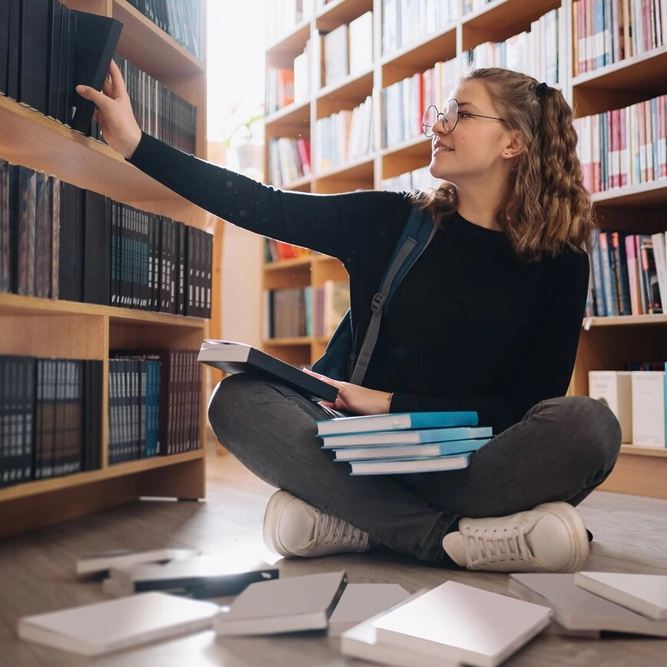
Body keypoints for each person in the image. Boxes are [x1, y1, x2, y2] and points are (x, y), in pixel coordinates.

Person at [76, 64, 621, 573]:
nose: (439, 124)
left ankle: (356, 520)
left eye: (460, 113)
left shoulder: (562, 260)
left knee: (590, 426)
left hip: (473, 463)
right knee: (237, 399)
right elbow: (262, 205)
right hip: (364, 449)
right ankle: (444, 538)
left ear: (514, 142)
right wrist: (137, 145)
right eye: (442, 112)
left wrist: (390, 404)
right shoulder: (391, 220)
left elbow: (529, 407)